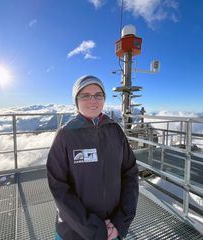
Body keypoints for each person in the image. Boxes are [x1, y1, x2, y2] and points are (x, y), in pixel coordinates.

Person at [47, 75, 139, 240]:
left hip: (113, 230)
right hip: (74, 232)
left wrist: (120, 223)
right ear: (76, 100)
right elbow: (58, 187)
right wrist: (93, 229)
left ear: (104, 99)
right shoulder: (65, 135)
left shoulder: (115, 131)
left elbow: (130, 174)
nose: (93, 100)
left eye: (98, 95)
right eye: (85, 95)